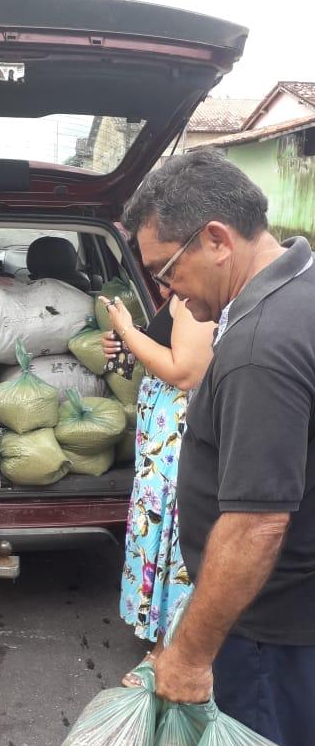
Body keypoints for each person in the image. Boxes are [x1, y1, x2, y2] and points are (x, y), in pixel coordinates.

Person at [125, 147, 315, 746]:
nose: (166, 293)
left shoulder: (261, 341)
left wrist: (191, 650)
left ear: (215, 238)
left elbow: (255, 523)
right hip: (301, 605)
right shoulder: (301, 288)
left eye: (166, 272)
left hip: (266, 613)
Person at [100, 275, 213, 684]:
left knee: (175, 539)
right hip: (160, 433)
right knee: (159, 530)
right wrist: (125, 344)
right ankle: (165, 635)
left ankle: (174, 648)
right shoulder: (176, 298)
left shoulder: (194, 301)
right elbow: (163, 352)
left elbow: (185, 372)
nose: (158, 277)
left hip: (177, 433)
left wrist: (130, 330)